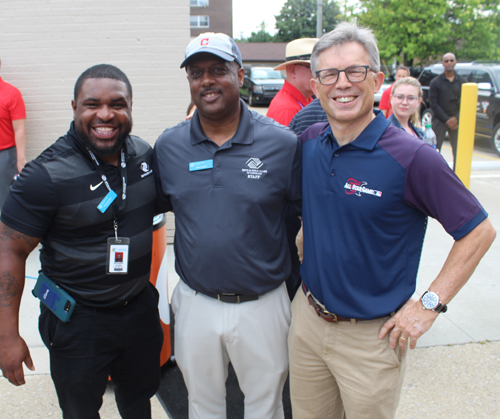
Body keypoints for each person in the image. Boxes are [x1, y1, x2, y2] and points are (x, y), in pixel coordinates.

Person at [288, 22, 496, 419]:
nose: (342, 84)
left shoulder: (414, 157)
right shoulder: (310, 142)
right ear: (315, 87)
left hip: (371, 337)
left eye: (355, 71)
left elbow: (478, 232)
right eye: (329, 74)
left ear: (378, 80)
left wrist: (430, 305)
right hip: (308, 320)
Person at [0, 64, 164, 419]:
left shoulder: (143, 156)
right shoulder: (44, 175)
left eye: (117, 104)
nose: (105, 114)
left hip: (138, 309)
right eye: (92, 104)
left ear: (130, 107)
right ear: (74, 107)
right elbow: (9, 252)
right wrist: (7, 336)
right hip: (78, 322)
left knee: (139, 401)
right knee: (81, 411)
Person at [154, 32, 302, 419]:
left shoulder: (282, 144)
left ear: (239, 74)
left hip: (264, 305)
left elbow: (307, 219)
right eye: (196, 72)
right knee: (202, 405)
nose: (207, 80)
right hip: (195, 301)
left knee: (265, 404)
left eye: (218, 70)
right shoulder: (169, 147)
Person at [266, 38, 318, 126]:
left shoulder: (303, 100)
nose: (318, 74)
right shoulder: (286, 110)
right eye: (313, 69)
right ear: (293, 70)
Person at [0, 58, 27, 214]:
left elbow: (19, 129)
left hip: (4, 156)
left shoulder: (11, 94)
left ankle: (5, 235)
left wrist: (21, 159)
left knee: (5, 200)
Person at [429, 52, 464, 166]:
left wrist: (456, 118)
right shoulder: (435, 82)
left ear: (456, 62)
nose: (449, 63)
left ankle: (457, 176)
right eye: (446, 61)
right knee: (434, 149)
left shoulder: (463, 82)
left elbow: (466, 103)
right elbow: (433, 104)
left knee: (459, 151)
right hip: (440, 119)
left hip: (457, 121)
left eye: (451, 60)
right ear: (442, 64)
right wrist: (447, 120)